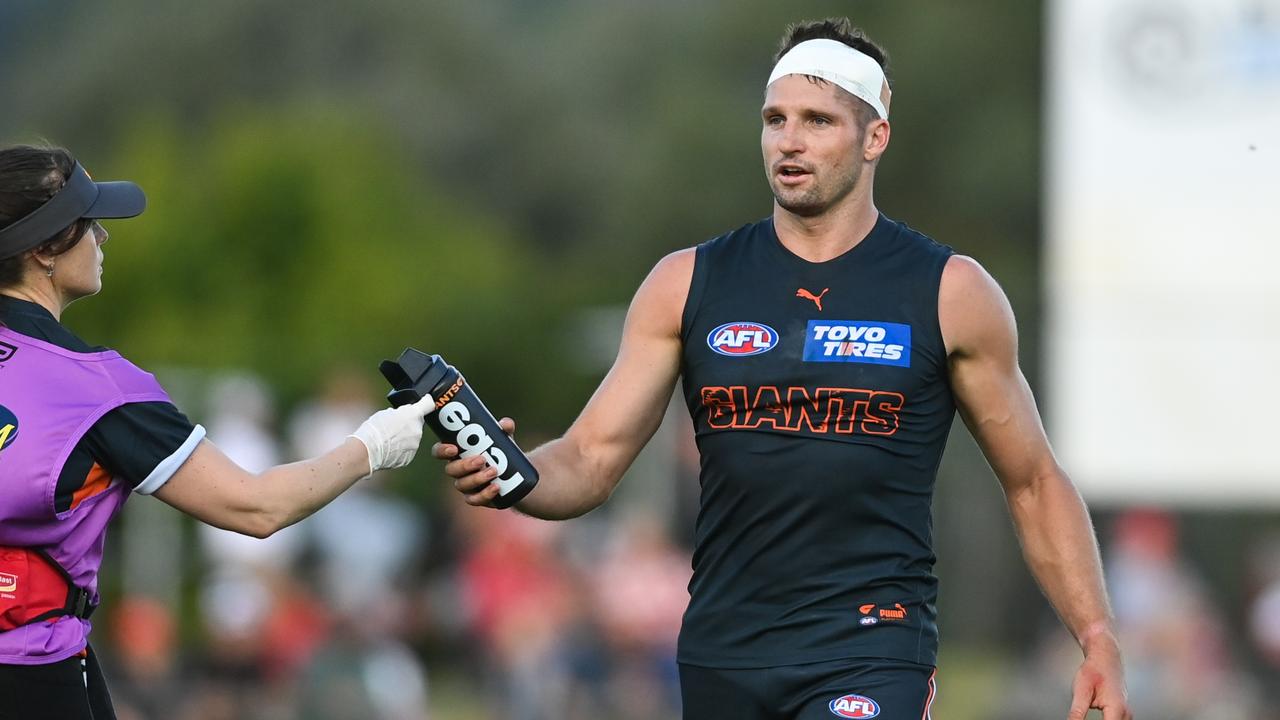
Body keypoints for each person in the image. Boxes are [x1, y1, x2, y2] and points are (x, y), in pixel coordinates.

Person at [436, 18, 1132, 720]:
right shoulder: (687, 283)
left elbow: (1035, 482)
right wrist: (514, 473)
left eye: (818, 121)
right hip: (724, 651)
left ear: (874, 137)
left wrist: (1096, 634)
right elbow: (590, 457)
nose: (789, 141)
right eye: (776, 119)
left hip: (872, 646)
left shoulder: (951, 292)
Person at [0, 144, 436, 720]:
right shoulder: (99, 389)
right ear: (43, 249)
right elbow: (256, 508)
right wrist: (372, 446)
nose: (102, 238)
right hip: (32, 671)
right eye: (89, 223)